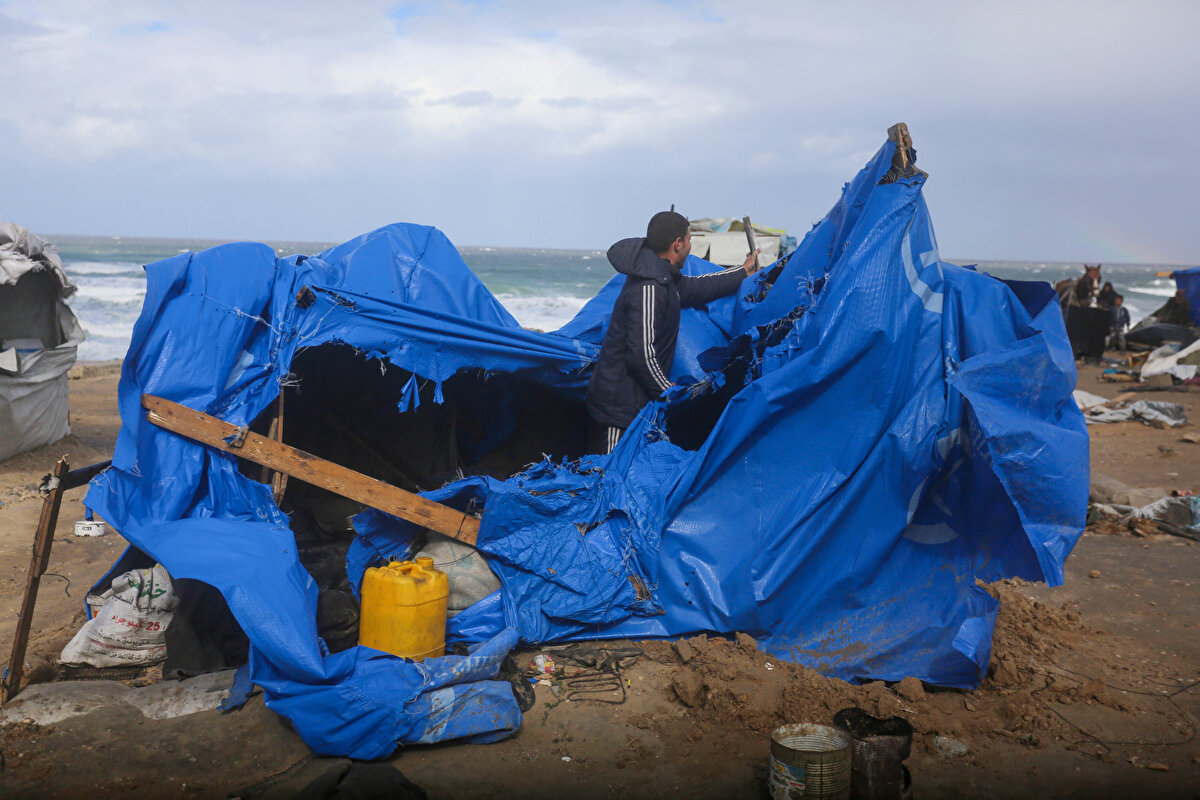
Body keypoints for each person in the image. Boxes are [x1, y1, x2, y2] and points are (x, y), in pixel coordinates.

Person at [585, 211, 759, 454]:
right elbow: (642, 355)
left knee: (633, 468)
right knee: (613, 469)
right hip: (619, 406)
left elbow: (697, 287)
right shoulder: (648, 288)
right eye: (689, 240)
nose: (689, 246)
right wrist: (670, 391)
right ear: (678, 244)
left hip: (638, 402)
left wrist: (743, 272)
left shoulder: (662, 280)